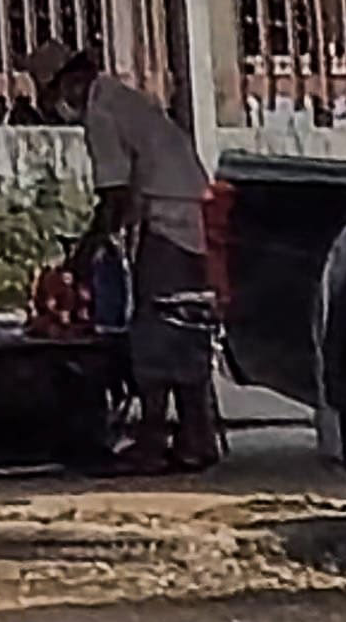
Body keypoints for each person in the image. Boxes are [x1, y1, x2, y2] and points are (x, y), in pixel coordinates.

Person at [44, 28, 221, 478]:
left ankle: (153, 442)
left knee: (155, 334)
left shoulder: (101, 113)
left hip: (169, 221)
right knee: (184, 327)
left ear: (69, 83)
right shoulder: (123, 99)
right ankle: (196, 437)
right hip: (192, 216)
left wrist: (83, 256)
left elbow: (114, 198)